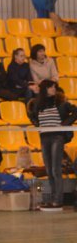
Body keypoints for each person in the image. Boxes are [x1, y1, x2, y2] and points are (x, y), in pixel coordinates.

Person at [27, 79, 77, 209]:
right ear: (45, 89)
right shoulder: (38, 103)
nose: (53, 89)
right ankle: (54, 198)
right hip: (44, 137)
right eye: (51, 87)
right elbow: (32, 114)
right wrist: (36, 123)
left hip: (57, 137)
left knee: (56, 169)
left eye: (54, 87)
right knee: (49, 169)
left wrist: (65, 124)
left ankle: (58, 200)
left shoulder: (61, 102)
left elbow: (75, 112)